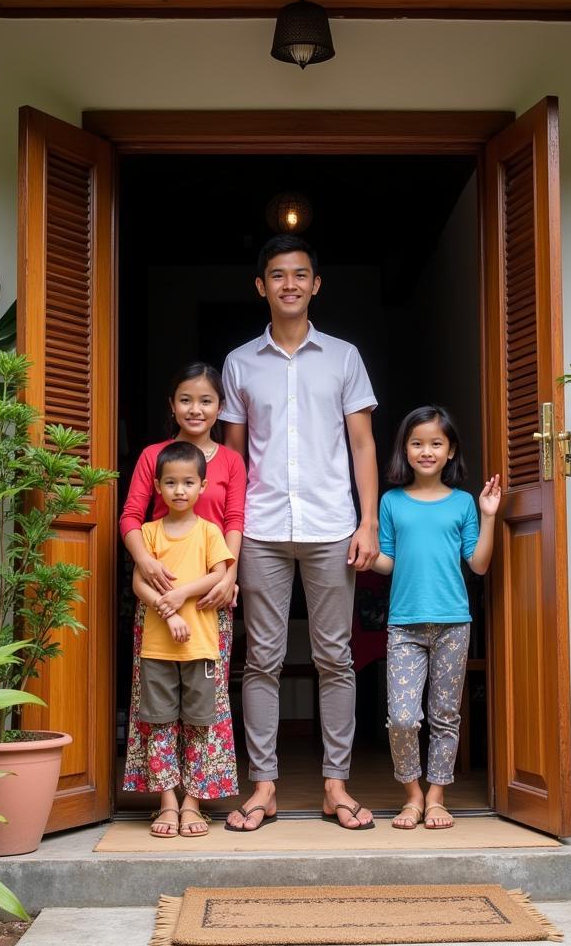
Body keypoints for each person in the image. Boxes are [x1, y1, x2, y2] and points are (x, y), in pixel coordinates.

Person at [221, 234, 380, 832]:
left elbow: (362, 443)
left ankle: (335, 787)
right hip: (260, 527)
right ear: (261, 286)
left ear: (315, 284)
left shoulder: (343, 357)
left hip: (332, 525)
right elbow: (231, 459)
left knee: (333, 657)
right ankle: (264, 788)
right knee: (260, 659)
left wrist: (366, 522)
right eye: (277, 275)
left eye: (301, 274)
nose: (289, 284)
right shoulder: (240, 363)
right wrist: (228, 540)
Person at [120, 364, 247, 836]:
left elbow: (235, 519)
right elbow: (131, 516)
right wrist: (146, 567)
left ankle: (195, 801)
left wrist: (229, 576)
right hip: (157, 604)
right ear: (172, 405)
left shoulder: (231, 461)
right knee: (155, 705)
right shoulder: (155, 456)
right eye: (186, 399)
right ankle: (166, 801)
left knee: (205, 704)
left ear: (219, 407)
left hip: (210, 602)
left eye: (206, 400)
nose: (196, 409)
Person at [372, 405, 501, 830]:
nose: (426, 451)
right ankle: (411, 795)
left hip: (453, 623)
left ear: (450, 451)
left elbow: (478, 565)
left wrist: (488, 515)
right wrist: (365, 557)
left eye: (435, 444)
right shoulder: (391, 501)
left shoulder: (463, 503)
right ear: (404, 449)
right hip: (404, 624)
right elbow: (388, 561)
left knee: (445, 715)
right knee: (403, 717)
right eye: (417, 443)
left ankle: (436, 796)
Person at [129, 440, 235, 838]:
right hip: (157, 647)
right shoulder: (149, 533)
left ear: (202, 487)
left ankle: (193, 803)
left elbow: (219, 574)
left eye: (188, 482)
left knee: (199, 723)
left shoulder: (209, 532)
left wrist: (180, 594)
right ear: (157, 486)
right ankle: (167, 802)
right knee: (158, 723)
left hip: (201, 646)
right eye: (171, 482)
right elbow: (140, 584)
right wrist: (168, 609)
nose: (179, 490)